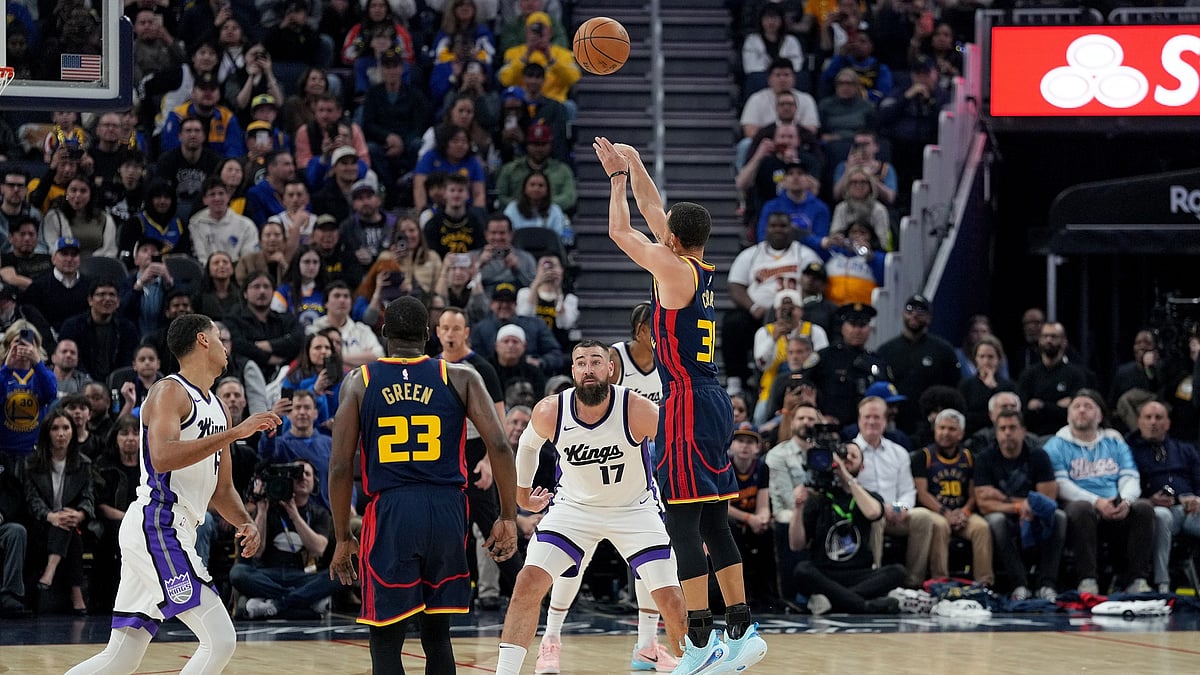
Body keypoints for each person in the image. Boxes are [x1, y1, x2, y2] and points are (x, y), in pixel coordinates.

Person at [594, 137, 767, 672]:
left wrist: (617, 180)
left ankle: (698, 642)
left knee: (683, 526)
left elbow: (621, 230)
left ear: (671, 237)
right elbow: (653, 213)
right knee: (715, 522)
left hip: (688, 401)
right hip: (713, 400)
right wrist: (638, 164)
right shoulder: (700, 270)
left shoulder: (670, 272)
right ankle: (740, 631)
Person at [65, 313, 281, 675]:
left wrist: (245, 521)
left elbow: (222, 488)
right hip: (157, 523)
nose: (226, 344)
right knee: (221, 639)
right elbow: (163, 456)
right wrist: (235, 434)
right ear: (202, 340)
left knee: (121, 657)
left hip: (176, 529)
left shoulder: (219, 407)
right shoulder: (169, 391)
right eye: (219, 335)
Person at [328, 296, 518, 674]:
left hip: (392, 511)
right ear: (429, 335)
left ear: (384, 334)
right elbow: (498, 444)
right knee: (437, 633)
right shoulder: (460, 376)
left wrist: (341, 536)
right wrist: (508, 516)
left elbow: (339, 466)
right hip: (448, 510)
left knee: (386, 636)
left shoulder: (360, 380)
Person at [495, 341, 686, 675]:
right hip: (573, 509)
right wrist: (522, 496)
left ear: (610, 368)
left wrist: (686, 513)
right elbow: (526, 446)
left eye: (596, 362)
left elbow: (678, 451)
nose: (588, 369)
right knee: (527, 582)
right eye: (580, 363)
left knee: (671, 598)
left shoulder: (637, 408)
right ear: (572, 371)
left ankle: (685, 662)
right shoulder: (552, 409)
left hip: (634, 508)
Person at [1042, 389, 1154, 595]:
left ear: (1100, 415)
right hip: (1079, 504)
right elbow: (1061, 485)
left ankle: (1137, 580)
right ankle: (1087, 580)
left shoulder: (1114, 440)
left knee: (1144, 508)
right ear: (1069, 415)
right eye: (1076, 406)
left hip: (1114, 502)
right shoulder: (1056, 444)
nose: (1082, 410)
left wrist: (1126, 501)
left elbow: (1130, 475)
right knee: (1081, 508)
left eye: (1088, 406)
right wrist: (1097, 502)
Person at [790, 441, 906, 614]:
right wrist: (798, 508)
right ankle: (863, 606)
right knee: (802, 570)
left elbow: (874, 513)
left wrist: (845, 476)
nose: (848, 459)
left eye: (854, 456)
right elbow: (796, 545)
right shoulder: (818, 498)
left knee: (898, 571)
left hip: (859, 573)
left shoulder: (869, 496)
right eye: (844, 456)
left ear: (863, 466)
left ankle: (834, 602)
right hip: (826, 573)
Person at [723, 211, 821, 398]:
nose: (778, 230)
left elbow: (818, 281)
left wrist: (801, 305)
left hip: (796, 314)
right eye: (773, 226)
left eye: (783, 226)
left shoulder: (805, 254)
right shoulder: (751, 255)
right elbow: (735, 285)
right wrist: (752, 306)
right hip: (759, 314)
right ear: (765, 229)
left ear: (791, 229)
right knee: (732, 322)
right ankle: (736, 380)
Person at [973, 409, 1065, 601]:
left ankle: (1046, 584)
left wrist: (1006, 499)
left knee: (1059, 517)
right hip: (1006, 514)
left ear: (1023, 431)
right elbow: (984, 504)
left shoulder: (1038, 456)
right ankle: (1019, 584)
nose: (1007, 432)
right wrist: (1017, 506)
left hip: (1035, 513)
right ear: (996, 433)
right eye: (1002, 428)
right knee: (997, 521)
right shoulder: (984, 458)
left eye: (1012, 427)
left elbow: (1048, 499)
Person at [232, 458, 341, 618]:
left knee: (338, 577)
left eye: (307, 474)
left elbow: (318, 549)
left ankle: (277, 604)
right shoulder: (267, 508)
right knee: (238, 573)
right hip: (267, 574)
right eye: (297, 474)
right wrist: (261, 512)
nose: (303, 477)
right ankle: (302, 602)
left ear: (314, 482)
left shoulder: (319, 514)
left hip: (300, 575)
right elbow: (257, 552)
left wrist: (295, 516)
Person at [854, 396, 942, 587]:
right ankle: (873, 581)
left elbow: (908, 491)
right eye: (867, 417)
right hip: (864, 514)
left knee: (923, 517)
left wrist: (899, 507)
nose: (871, 422)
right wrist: (879, 508)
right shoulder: (850, 452)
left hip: (895, 514)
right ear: (859, 420)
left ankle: (913, 583)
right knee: (874, 517)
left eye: (877, 417)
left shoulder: (899, 452)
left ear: (885, 421)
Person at [23, 410, 96, 615]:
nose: (61, 433)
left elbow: (88, 496)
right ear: (47, 433)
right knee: (64, 525)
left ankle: (49, 572)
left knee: (66, 523)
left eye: (66, 428)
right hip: (41, 524)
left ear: (73, 432)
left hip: (73, 523)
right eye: (55, 428)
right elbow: (31, 499)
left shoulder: (84, 464)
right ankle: (76, 594)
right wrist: (50, 516)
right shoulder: (32, 463)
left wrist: (81, 514)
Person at [911, 409, 994, 587]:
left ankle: (984, 583)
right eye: (941, 428)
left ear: (961, 434)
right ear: (935, 429)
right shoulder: (923, 456)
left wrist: (964, 512)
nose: (945, 433)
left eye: (951, 429)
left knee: (982, 527)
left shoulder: (969, 457)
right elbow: (921, 493)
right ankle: (940, 582)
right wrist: (945, 513)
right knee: (940, 526)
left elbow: (974, 493)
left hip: (961, 513)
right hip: (934, 511)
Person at [1125, 399, 1200, 594]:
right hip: (1155, 510)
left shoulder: (1185, 449)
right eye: (1148, 417)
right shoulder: (1129, 450)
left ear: (1167, 423)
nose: (1153, 422)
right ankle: (1162, 583)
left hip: (1190, 509)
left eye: (1158, 417)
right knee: (1161, 515)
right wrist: (1148, 500)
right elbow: (1127, 483)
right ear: (1139, 422)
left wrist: (1198, 499)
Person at [878, 294, 961, 434]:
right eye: (910, 310)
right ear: (903, 314)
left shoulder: (944, 350)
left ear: (929, 317)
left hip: (933, 424)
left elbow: (954, 388)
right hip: (896, 423)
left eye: (921, 311)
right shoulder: (886, 350)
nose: (914, 315)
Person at [1017, 322, 1095, 438]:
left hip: (1067, 436)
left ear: (1064, 342)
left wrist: (1040, 405)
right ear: (1039, 340)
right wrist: (1056, 406)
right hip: (1032, 436)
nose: (1049, 340)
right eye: (1045, 336)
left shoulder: (1076, 375)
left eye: (1054, 337)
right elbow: (1023, 410)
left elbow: (1074, 411)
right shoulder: (1028, 374)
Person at [59, 280, 140, 385]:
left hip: (118, 385)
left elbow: (129, 360)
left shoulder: (128, 328)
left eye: (112, 295)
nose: (107, 299)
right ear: (90, 300)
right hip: (80, 385)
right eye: (101, 294)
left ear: (118, 302)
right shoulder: (72, 326)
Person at [0, 322, 56, 457]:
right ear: (8, 346)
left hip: (33, 451)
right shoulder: (3, 373)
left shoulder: (43, 375)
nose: (24, 347)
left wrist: (37, 363)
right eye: (18, 342)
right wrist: (7, 368)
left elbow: (50, 394)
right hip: (3, 450)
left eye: (30, 343)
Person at [609, 301, 662, 404]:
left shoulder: (668, 359)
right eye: (659, 329)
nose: (664, 335)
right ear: (641, 330)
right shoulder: (614, 360)